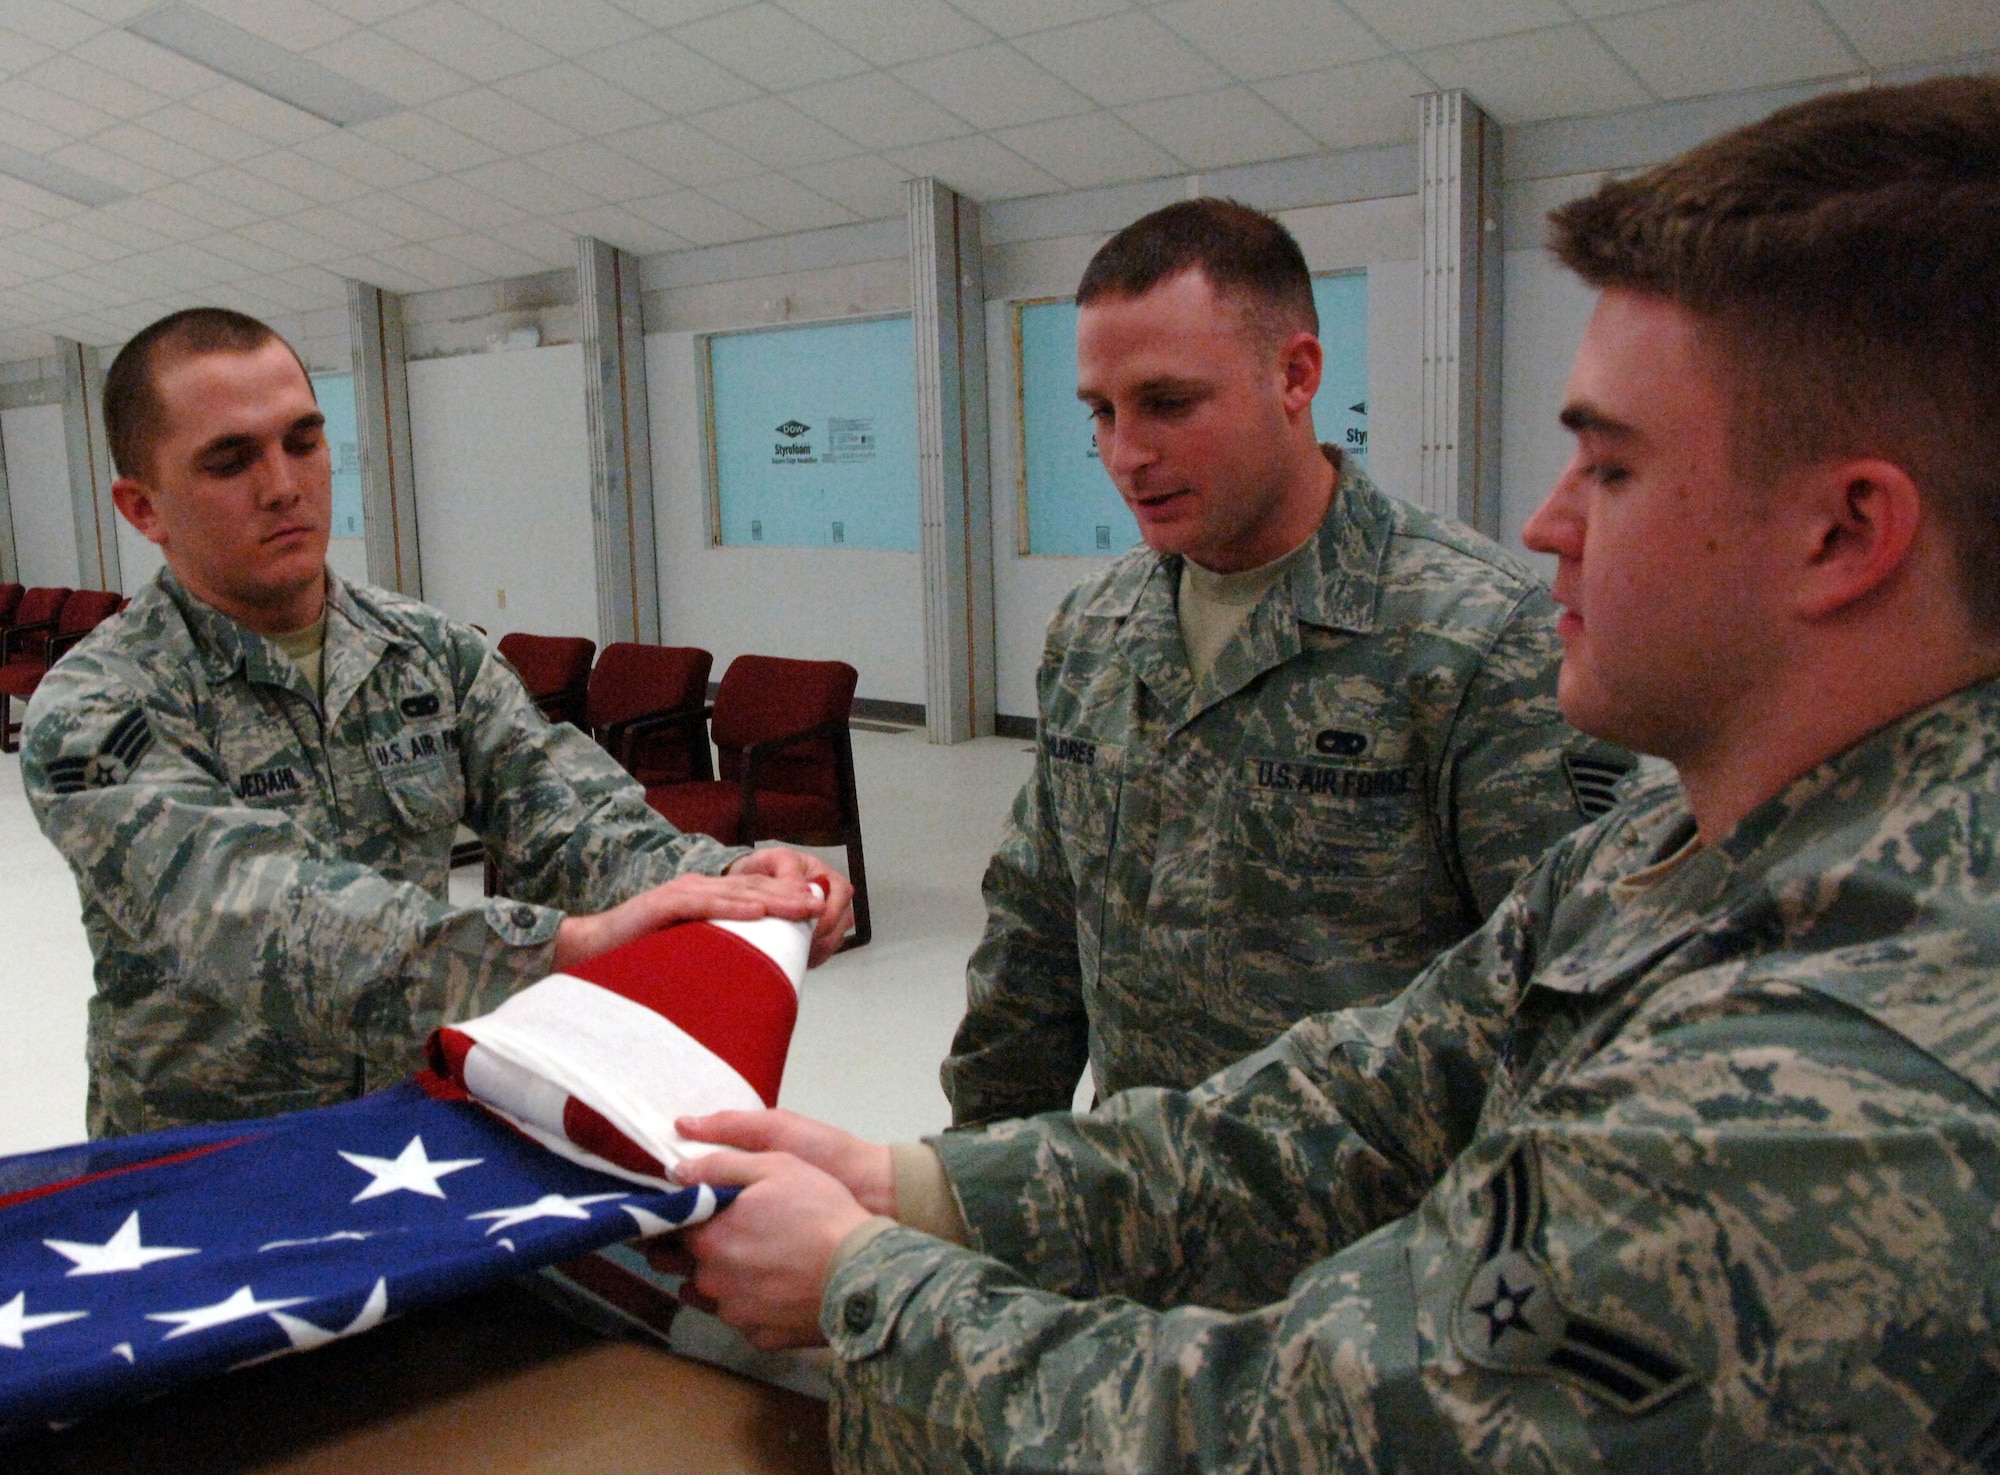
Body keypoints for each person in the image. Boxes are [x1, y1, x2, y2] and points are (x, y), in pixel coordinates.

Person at [667, 76, 2000, 1470]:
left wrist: (867, 1285)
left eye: (1609, 466)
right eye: (1101, 410)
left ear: (1845, 532)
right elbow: (1352, 1095)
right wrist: (922, 1184)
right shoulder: (1674, 850)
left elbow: (1317, 1431)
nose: (1549, 519)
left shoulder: (1843, 1080)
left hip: (1325, 1320)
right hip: (1181, 1267)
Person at [21, 308, 853, 1138]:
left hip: (409, 1127)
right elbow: (253, 910)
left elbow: (568, 819)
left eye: (303, 442)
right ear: (143, 507)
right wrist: (559, 945)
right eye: (231, 460)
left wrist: (729, 883)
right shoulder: (101, 708)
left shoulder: (426, 651)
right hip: (209, 1159)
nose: (283, 485)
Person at [944, 199, 1629, 1126]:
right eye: (1102, 412)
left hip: (1363, 1248)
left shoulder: (1476, 639)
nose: (1126, 454)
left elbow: (1563, 1007)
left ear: (1295, 374)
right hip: (1115, 1205)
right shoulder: (1095, 631)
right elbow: (1034, 933)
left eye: (1169, 403)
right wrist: (978, 1174)